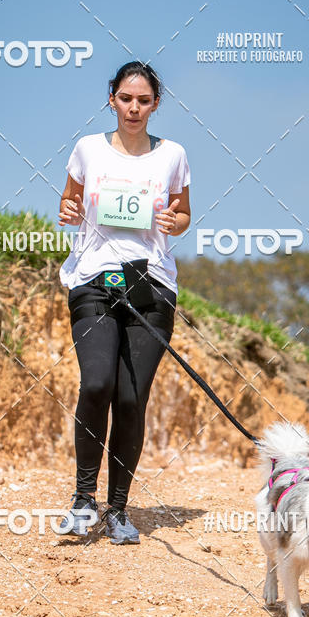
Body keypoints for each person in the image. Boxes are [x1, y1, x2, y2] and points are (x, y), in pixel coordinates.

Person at [56, 60, 191, 544]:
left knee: (131, 399)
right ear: (111, 98)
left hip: (152, 287)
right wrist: (68, 210)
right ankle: (81, 500)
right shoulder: (87, 149)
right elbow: (68, 206)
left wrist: (173, 223)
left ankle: (117, 510)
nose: (134, 108)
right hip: (93, 279)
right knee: (96, 384)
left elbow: (183, 218)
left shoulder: (173, 154)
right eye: (126, 98)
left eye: (145, 100)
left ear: (156, 105)